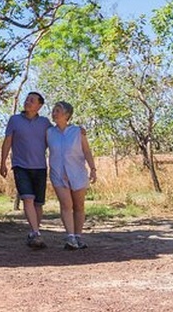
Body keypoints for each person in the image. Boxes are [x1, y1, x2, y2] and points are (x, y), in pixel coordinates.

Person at [0, 92, 52, 249]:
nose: (28, 102)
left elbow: (58, 135)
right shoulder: (14, 120)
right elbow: (8, 141)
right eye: (27, 99)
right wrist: (2, 162)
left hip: (40, 167)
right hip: (20, 166)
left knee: (38, 203)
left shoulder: (45, 123)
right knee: (27, 198)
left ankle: (33, 231)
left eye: (32, 100)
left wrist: (77, 131)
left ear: (39, 106)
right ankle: (36, 233)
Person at [47, 101, 97, 250]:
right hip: (58, 173)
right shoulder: (49, 132)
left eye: (57, 111)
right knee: (66, 204)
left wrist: (93, 168)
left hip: (77, 172)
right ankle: (70, 237)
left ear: (67, 115)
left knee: (79, 205)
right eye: (53, 110)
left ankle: (78, 236)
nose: (54, 113)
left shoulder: (77, 131)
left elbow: (87, 151)